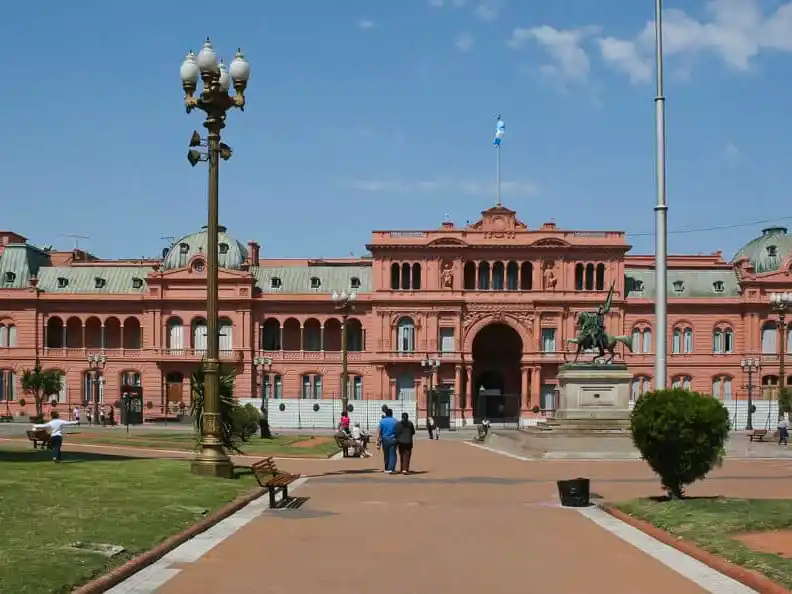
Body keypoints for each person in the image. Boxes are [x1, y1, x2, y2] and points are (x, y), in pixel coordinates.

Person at [377, 408, 398, 473]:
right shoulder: (395, 421)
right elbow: (397, 431)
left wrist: (378, 440)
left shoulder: (382, 421)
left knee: (386, 454)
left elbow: (379, 431)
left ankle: (386, 467)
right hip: (393, 439)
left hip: (385, 439)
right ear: (392, 413)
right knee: (393, 454)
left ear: (385, 413)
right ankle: (391, 468)